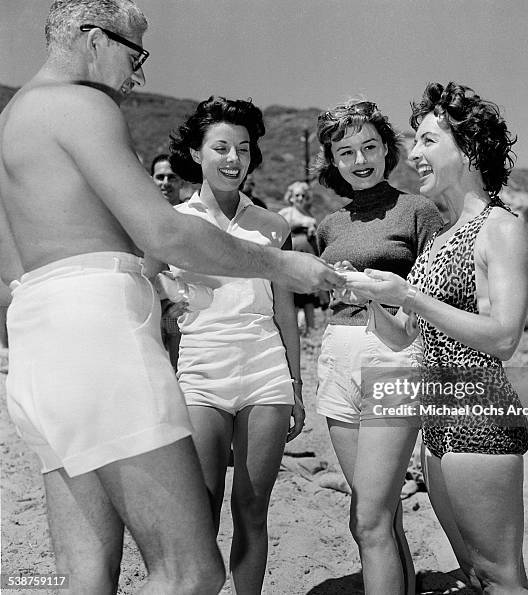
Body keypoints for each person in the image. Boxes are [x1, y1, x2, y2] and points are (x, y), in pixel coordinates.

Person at [0, 2, 342, 593]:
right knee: (191, 572)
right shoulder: (82, 105)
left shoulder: (12, 120)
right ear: (91, 38)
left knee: (85, 578)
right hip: (96, 339)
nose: (139, 74)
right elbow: (165, 233)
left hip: (37, 348)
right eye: (136, 53)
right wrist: (281, 263)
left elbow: (16, 265)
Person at [346, 82, 528, 594]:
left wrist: (411, 297)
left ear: (468, 148)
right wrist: (373, 296)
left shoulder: (502, 229)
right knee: (475, 575)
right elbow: (410, 332)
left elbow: (503, 338)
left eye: (428, 140)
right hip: (438, 423)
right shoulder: (445, 234)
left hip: (479, 419)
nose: (415, 153)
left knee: (501, 577)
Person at [165, 96, 303, 594]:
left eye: (243, 149)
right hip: (200, 370)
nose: (233, 159)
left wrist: (296, 385)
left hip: (264, 368)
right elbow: (156, 299)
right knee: (201, 507)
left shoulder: (273, 226)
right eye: (221, 147)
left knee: (251, 508)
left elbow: (284, 310)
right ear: (197, 152)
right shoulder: (173, 223)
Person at [314, 99, 442, 595]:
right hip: (337, 354)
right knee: (377, 514)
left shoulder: (418, 210)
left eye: (369, 146)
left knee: (368, 520)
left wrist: (377, 293)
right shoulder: (329, 225)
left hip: (393, 356)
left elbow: (430, 294)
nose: (360, 159)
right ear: (333, 160)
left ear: (388, 150)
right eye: (346, 151)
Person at [151, 153, 183, 369]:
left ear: (180, 181)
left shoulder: (190, 218)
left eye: (171, 177)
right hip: (149, 304)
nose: (165, 183)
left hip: (181, 307)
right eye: (160, 177)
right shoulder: (139, 217)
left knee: (182, 373)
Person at [279, 181, 320, 333]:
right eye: (297, 195)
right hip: (291, 257)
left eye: (303, 195)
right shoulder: (286, 213)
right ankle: (292, 329)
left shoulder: (309, 215)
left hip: (307, 257)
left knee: (308, 294)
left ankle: (311, 330)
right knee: (293, 294)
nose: (300, 198)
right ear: (291, 197)